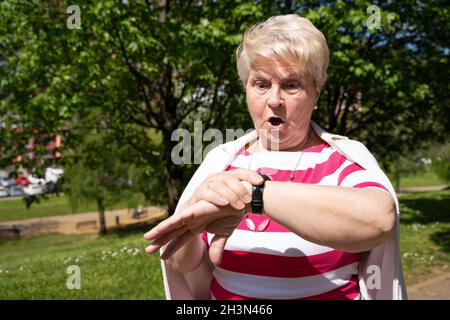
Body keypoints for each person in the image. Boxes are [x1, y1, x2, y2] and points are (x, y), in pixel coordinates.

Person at [144, 14, 407, 300]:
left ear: (316, 92)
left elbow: (379, 220)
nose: (274, 100)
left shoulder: (341, 160)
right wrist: (193, 224)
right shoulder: (221, 162)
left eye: (292, 85)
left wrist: (254, 196)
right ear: (246, 89)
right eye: (260, 84)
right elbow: (182, 263)